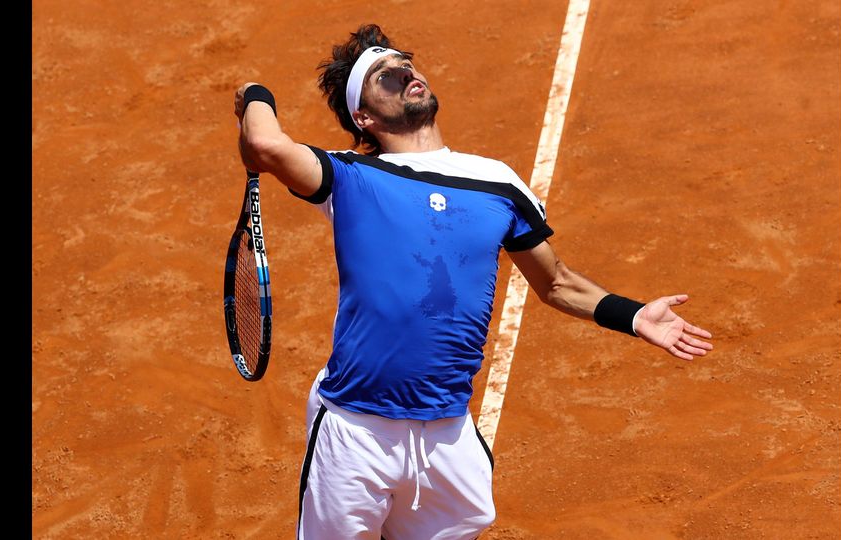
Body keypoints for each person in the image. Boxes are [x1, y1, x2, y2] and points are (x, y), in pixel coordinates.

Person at [233, 23, 713, 540]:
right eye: (382, 74)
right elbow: (263, 142)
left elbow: (556, 283)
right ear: (363, 117)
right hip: (355, 432)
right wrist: (254, 95)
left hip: (448, 437)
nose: (403, 71)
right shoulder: (350, 177)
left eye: (404, 62)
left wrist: (635, 315)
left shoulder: (496, 182)